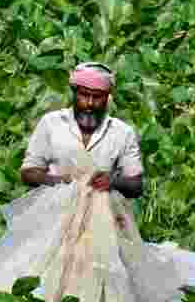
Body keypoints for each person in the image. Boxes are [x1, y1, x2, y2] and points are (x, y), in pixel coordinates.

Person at [20, 61, 144, 199]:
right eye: (84, 95)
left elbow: (136, 185)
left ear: (107, 97)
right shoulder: (51, 123)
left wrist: (114, 182)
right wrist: (58, 181)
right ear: (74, 93)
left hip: (102, 213)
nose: (90, 103)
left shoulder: (123, 132)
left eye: (97, 97)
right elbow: (28, 173)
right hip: (54, 209)